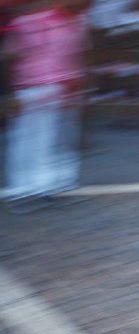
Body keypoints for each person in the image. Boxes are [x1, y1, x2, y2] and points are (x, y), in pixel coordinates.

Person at [3, 0, 89, 213]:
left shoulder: (76, 23)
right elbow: (9, 55)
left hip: (54, 88)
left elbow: (74, 58)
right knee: (24, 140)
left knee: (44, 140)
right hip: (29, 87)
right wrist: (10, 93)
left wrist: (73, 85)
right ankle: (21, 190)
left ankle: (40, 187)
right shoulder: (31, 21)